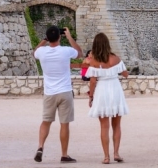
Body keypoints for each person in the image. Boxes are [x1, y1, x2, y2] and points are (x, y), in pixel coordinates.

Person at [33, 26, 82, 163]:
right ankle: (64, 154)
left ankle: (40, 146)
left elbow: (34, 53)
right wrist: (69, 37)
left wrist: (44, 40)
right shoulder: (66, 51)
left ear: (48, 38)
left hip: (50, 92)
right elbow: (79, 52)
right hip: (65, 91)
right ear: (60, 36)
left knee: (46, 122)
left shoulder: (42, 52)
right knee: (64, 124)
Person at [86, 33, 129, 164]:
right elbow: (126, 74)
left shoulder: (94, 62)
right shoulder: (116, 59)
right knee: (117, 125)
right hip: (115, 89)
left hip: (102, 91)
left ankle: (106, 157)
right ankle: (116, 153)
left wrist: (91, 96)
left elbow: (92, 81)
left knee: (104, 127)